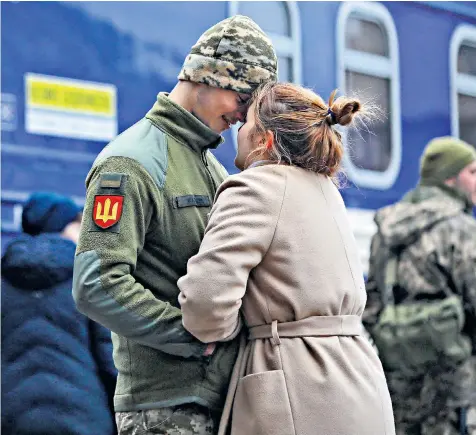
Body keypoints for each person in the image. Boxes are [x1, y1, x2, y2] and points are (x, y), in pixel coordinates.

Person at [72, 15, 277, 435]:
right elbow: (96, 282)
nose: (242, 116)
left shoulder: (211, 167)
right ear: (207, 77)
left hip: (218, 397)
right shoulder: (130, 163)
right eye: (242, 98)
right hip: (164, 408)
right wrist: (193, 339)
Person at [177, 82, 396, 435]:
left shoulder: (254, 187)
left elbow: (205, 309)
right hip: (359, 380)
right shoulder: (326, 189)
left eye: (246, 122)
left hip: (296, 386)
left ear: (264, 140)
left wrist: (234, 326)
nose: (238, 128)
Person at [363, 136, 476, 435]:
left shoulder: (386, 229)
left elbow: (371, 300)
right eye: (472, 172)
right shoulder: (462, 229)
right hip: (451, 379)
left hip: (396, 377)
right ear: (449, 178)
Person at [1, 192, 117, 435]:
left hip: (14, 419)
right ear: (65, 228)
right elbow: (111, 360)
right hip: (84, 420)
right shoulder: (89, 279)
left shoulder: (4, 279)